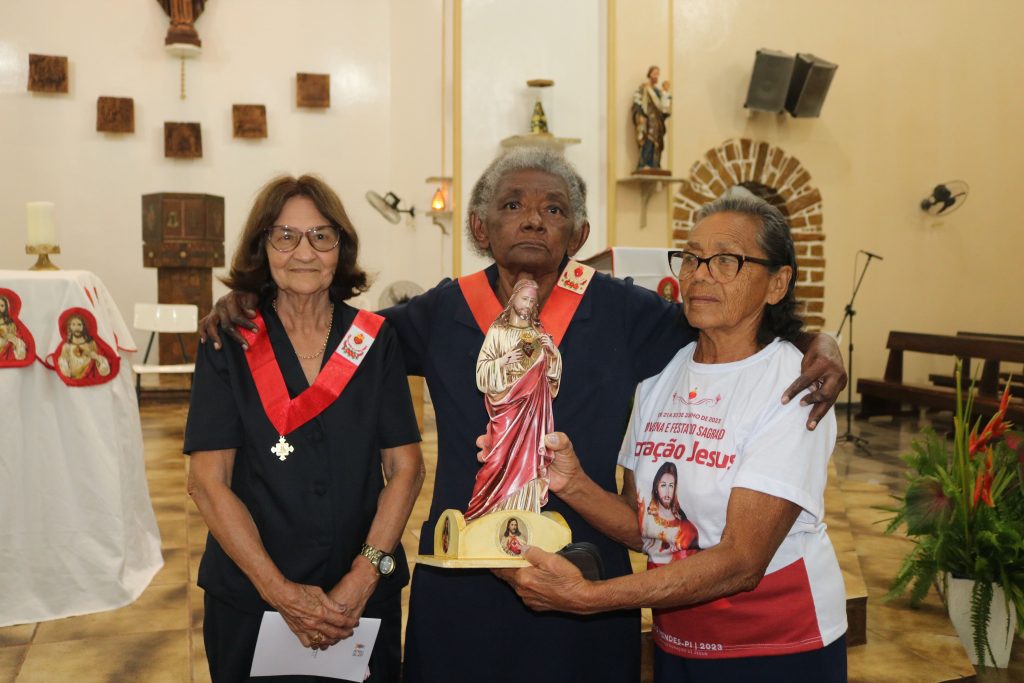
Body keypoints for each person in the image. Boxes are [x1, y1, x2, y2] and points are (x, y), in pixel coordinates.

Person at [199, 147, 846, 683]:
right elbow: (343, 335)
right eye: (512, 205)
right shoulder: (442, 311)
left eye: (554, 209)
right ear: (480, 228)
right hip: (463, 571)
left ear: (579, 235)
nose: (533, 219)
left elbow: (725, 320)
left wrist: (818, 342)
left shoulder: (624, 312)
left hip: (581, 570)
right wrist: (250, 299)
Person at [497, 194, 847, 683]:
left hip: (774, 645)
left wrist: (591, 598)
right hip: (679, 640)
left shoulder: (793, 384)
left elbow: (742, 562)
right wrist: (571, 483)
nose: (700, 275)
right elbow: (651, 527)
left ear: (777, 283)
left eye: (726, 260)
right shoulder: (661, 377)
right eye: (691, 258)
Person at [184, 174, 424, 682]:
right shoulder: (228, 339)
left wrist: (363, 577)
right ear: (263, 246)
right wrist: (281, 593)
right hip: (253, 596)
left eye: (321, 235)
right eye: (285, 236)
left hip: (359, 598)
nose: (304, 252)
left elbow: (406, 468)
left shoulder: (375, 341)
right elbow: (206, 482)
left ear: (341, 247)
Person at [468, 278, 561, 519]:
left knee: (528, 459)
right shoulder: (497, 332)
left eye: (532, 301)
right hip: (506, 410)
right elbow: (482, 371)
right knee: (498, 458)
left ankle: (524, 512)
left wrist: (552, 354)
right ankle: (490, 509)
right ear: (513, 299)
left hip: (532, 414)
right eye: (524, 299)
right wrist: (504, 361)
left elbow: (550, 378)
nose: (528, 304)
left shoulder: (537, 334)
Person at [641, 462, 700, 561]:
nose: (667, 492)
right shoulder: (646, 520)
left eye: (671, 486)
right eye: (663, 485)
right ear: (656, 487)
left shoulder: (688, 529)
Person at [633, 65, 672, 172]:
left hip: (657, 120)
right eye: (654, 73)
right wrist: (640, 116)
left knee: (657, 141)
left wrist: (666, 94)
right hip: (648, 119)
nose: (656, 76)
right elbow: (637, 103)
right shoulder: (644, 88)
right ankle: (644, 163)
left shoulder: (658, 92)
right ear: (649, 74)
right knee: (648, 139)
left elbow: (663, 107)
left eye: (658, 74)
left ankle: (655, 164)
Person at [57, 312, 111, 379]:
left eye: (79, 324)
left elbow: (104, 370)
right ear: (70, 327)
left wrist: (96, 357)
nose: (76, 327)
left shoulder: (91, 344)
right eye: (73, 324)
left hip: (89, 379)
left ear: (83, 327)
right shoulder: (66, 346)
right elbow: (64, 369)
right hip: (73, 381)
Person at [0, 294, 29, 362]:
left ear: (6, 307)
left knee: (19, 342)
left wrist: (9, 336)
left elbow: (13, 332)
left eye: (2, 305)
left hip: (7, 340)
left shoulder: (8, 321)